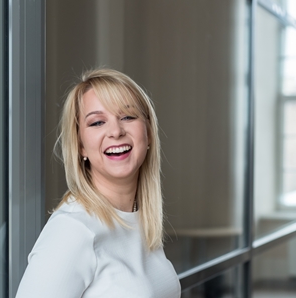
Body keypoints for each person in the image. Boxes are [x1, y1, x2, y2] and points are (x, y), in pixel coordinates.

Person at [15, 68, 181, 298]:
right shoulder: (72, 230)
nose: (116, 131)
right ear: (81, 145)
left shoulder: (138, 218)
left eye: (128, 116)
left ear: (149, 132)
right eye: (97, 122)